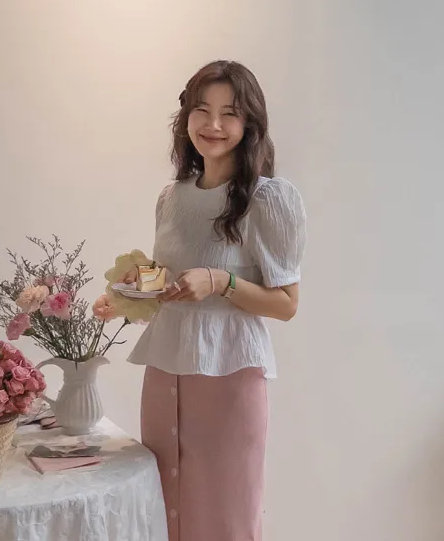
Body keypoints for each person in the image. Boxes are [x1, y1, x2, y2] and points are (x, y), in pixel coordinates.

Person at [124, 60, 307, 541]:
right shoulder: (171, 197)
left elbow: (287, 304)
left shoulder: (268, 199)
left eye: (230, 113)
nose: (213, 125)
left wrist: (221, 282)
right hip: (164, 373)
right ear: (185, 117)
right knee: (165, 513)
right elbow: (172, 280)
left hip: (228, 380)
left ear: (249, 124)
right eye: (202, 110)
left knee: (226, 519)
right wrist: (134, 286)